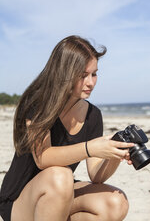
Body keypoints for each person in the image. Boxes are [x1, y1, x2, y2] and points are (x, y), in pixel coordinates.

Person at [0, 35, 134, 221]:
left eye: (94, 74)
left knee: (116, 202)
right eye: (82, 76)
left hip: (61, 193)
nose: (91, 82)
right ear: (64, 73)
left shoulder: (92, 115)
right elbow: (43, 158)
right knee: (61, 175)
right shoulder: (38, 103)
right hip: (20, 200)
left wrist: (114, 154)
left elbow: (96, 176)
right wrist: (90, 148)